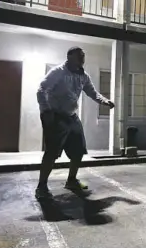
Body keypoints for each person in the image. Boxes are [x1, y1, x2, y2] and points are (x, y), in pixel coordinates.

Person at [35, 47, 114, 200]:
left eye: (83, 56)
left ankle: (71, 181)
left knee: (78, 151)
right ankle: (42, 186)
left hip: (71, 117)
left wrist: (105, 101)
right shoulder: (58, 72)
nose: (83, 58)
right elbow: (41, 89)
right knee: (52, 152)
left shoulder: (83, 75)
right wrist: (46, 111)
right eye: (80, 56)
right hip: (56, 116)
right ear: (70, 56)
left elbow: (92, 92)